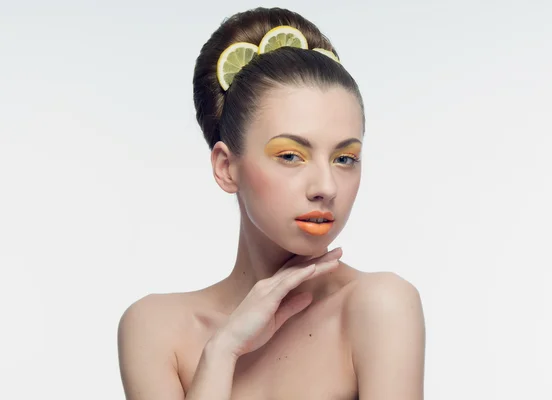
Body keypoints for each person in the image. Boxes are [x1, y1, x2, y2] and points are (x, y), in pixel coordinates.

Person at [117, 6, 425, 400]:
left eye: (344, 158)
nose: (326, 186)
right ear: (227, 167)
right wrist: (221, 351)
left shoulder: (379, 307)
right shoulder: (155, 329)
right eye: (291, 156)